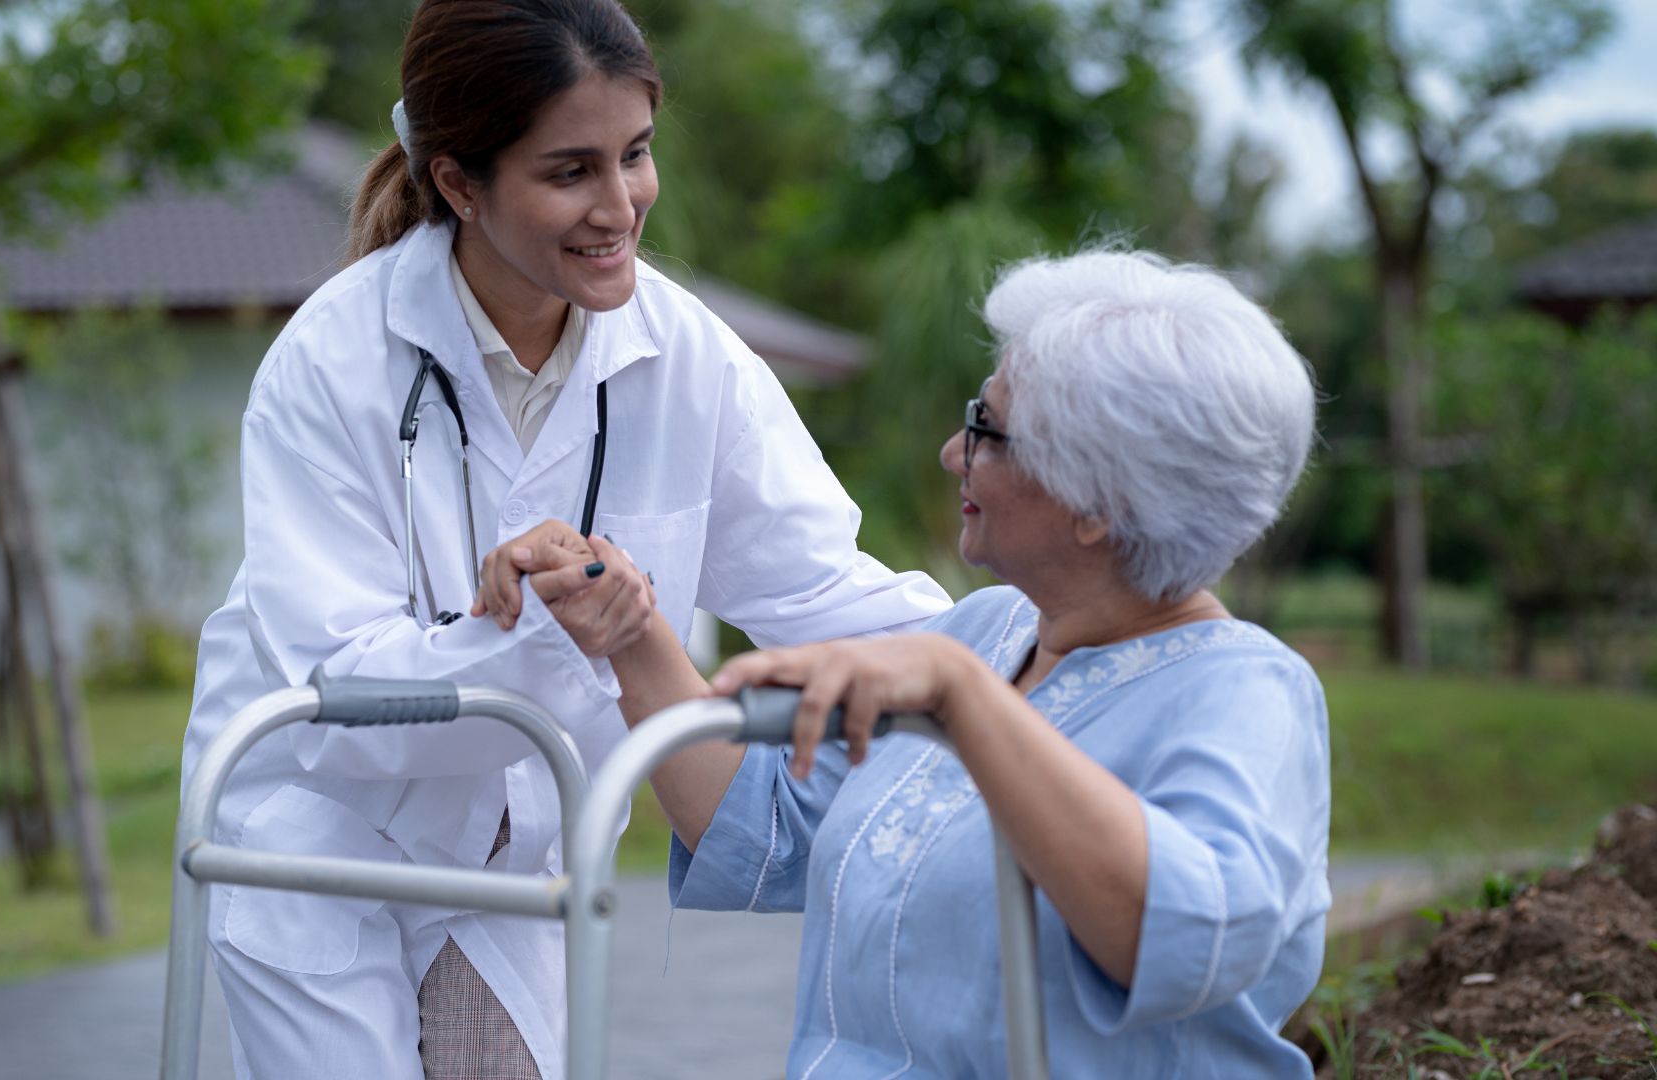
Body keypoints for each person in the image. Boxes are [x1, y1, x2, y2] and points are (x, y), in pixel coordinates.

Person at [178, 1, 950, 1078]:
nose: (619, 205)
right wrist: (565, 620)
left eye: (634, 156)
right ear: (458, 184)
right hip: (325, 840)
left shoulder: (691, 361)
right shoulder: (333, 363)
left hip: (522, 847)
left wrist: (1040, 651)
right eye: (569, 171)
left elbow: (828, 594)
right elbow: (343, 692)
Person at [501, 249, 1330, 1077]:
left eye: (987, 431)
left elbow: (1190, 940)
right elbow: (766, 826)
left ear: (1099, 502)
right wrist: (630, 627)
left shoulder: (1247, 695)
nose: (951, 453)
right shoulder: (988, 636)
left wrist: (966, 701)